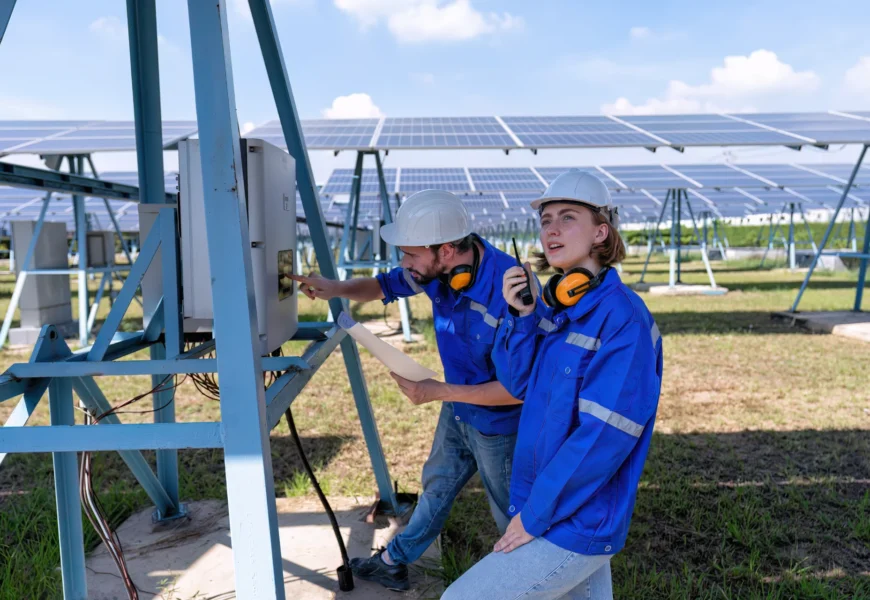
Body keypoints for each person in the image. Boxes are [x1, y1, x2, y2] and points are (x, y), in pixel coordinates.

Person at [290, 189, 535, 592]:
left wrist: (437, 391)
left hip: (499, 424)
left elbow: (516, 390)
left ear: (449, 250)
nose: (404, 263)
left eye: (411, 254)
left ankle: (532, 581)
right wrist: (334, 287)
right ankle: (393, 560)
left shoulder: (508, 293)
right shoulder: (435, 270)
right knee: (437, 486)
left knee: (513, 515)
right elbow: (382, 286)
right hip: (458, 408)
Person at [441, 170, 664, 600]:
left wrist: (534, 515)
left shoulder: (623, 320)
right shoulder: (558, 310)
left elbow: (603, 435)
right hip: (550, 502)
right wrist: (522, 317)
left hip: (576, 515)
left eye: (567, 218)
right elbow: (519, 382)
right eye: (545, 220)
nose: (552, 229)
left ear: (601, 232)